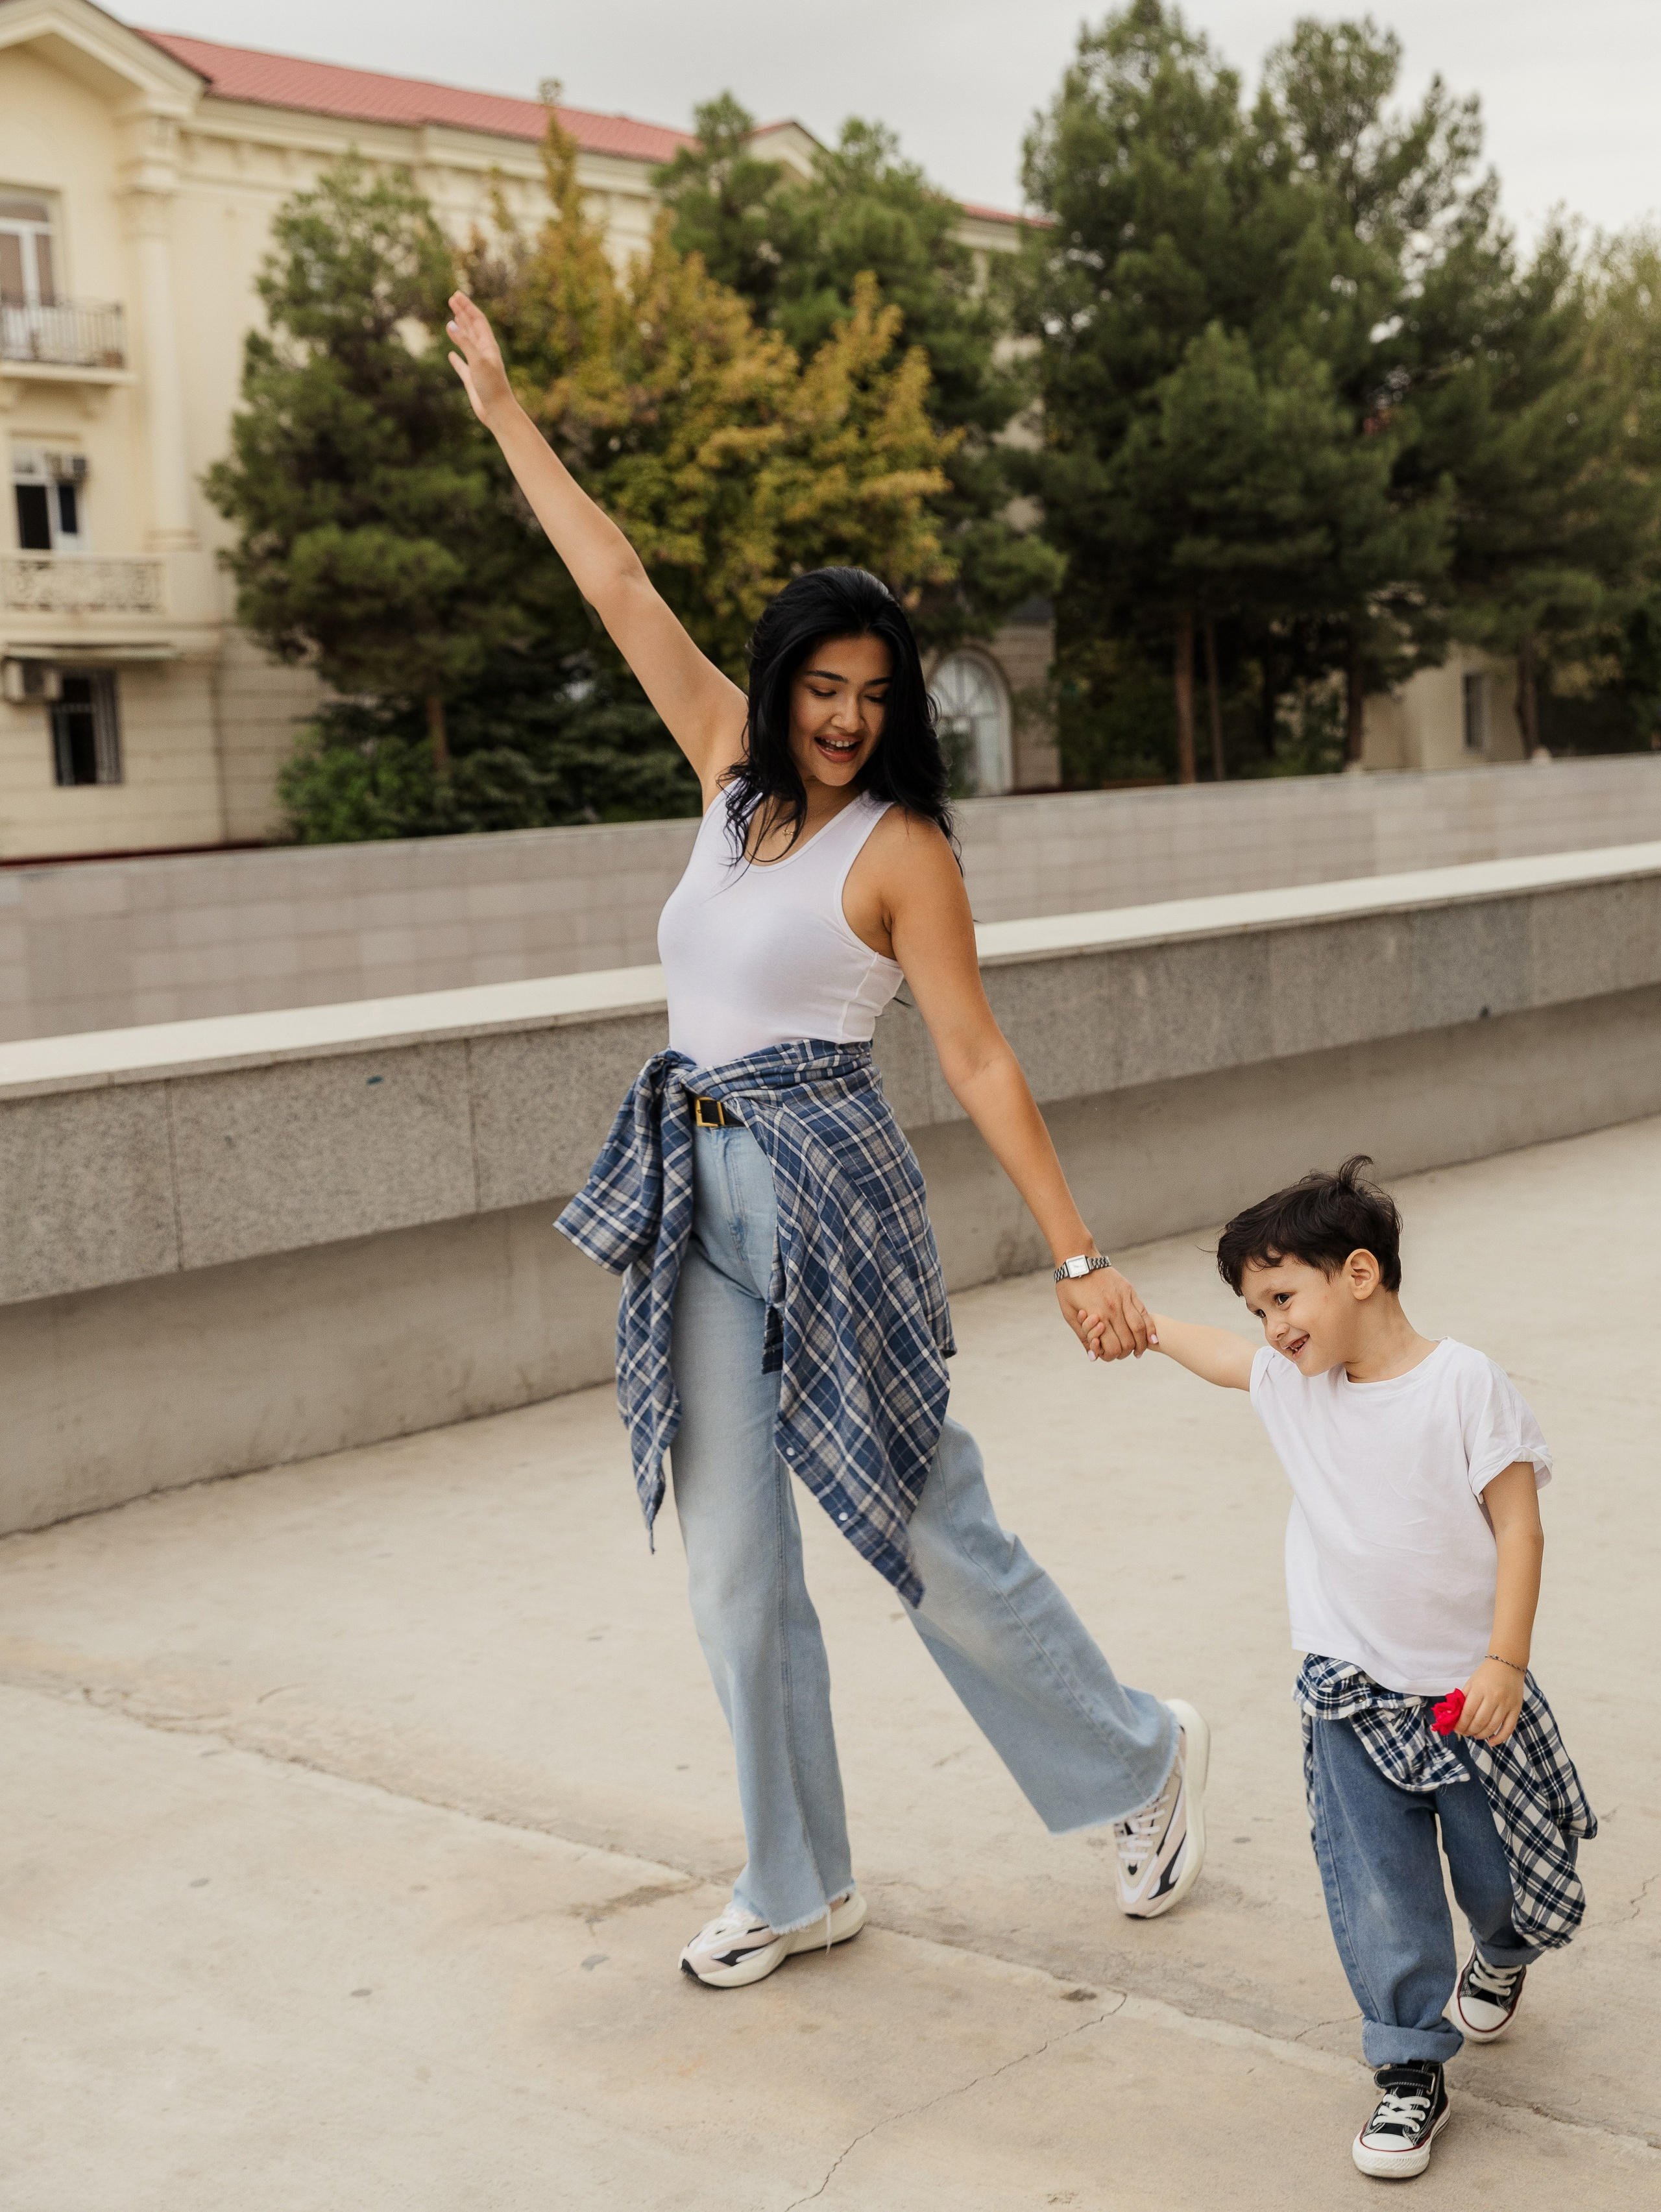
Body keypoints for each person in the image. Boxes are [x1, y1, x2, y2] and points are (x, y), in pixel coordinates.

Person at [444, 292, 1209, 1988]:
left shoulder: (904, 852)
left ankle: (1142, 1754)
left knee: (930, 1533)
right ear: (782, 680)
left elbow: (980, 1060)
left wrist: (1080, 1257)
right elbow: (619, 584)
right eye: (826, 686)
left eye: (877, 695)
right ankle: (796, 1877)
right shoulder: (726, 772)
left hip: (830, 1193)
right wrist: (504, 411)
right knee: (733, 1569)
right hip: (692, 1197)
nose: (848, 716)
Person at [1124, 1157, 1594, 2180]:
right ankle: (1408, 2064)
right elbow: (1217, 1357)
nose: (1272, 1328)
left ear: (1362, 1273)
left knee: (1500, 1879)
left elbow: (1520, 1528)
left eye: (1284, 1296)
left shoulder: (1462, 1382)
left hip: (1467, 1698)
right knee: (1382, 1891)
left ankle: (1505, 1953)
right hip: (1346, 1693)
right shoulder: (1294, 1387)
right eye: (1257, 1309)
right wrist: (1151, 1325)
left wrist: (1505, 1661)